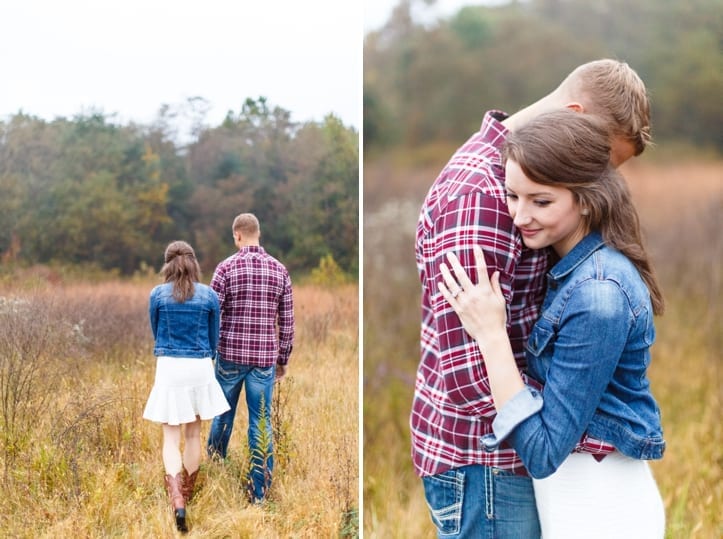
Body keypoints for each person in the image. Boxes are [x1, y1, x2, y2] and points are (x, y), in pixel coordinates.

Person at [412, 59, 651, 538]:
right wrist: (571, 428)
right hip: (489, 461)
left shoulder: (513, 178)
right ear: (576, 116)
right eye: (602, 159)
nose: (599, 180)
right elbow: (471, 377)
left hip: (514, 458)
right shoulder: (481, 195)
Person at [143, 240, 231, 533]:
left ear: (167, 263)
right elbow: (213, 339)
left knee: (170, 438)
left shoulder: (157, 294)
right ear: (193, 262)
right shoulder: (208, 295)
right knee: (193, 435)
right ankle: (188, 494)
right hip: (199, 369)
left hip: (169, 368)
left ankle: (177, 500)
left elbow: (157, 334)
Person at [207, 212, 295, 503]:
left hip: (230, 356)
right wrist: (282, 357)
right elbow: (288, 320)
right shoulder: (280, 270)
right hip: (263, 360)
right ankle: (260, 492)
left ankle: (215, 471)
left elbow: (212, 315)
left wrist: (210, 353)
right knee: (260, 423)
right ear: (259, 233)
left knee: (222, 415)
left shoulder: (225, 269)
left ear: (238, 236)